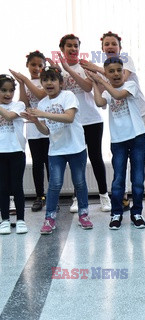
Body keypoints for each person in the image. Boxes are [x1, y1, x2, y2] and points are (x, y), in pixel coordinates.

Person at [81, 31, 145, 213]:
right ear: (102, 48)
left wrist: (96, 70)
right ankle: (124, 197)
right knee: (120, 160)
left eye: (114, 44)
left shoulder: (125, 61)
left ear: (120, 48)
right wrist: (96, 78)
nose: (110, 47)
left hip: (139, 115)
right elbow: (102, 98)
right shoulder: (104, 71)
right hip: (120, 120)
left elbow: (120, 80)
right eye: (107, 44)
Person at [22, 67, 93, 234]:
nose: (48, 83)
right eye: (45, 80)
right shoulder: (42, 103)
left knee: (80, 182)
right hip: (56, 151)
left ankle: (84, 214)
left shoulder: (68, 96)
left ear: (61, 83)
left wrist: (43, 113)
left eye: (52, 79)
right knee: (54, 184)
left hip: (76, 148)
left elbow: (69, 118)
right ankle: (50, 218)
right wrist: (36, 120)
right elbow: (46, 131)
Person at [51, 34, 111, 213]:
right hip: (72, 122)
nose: (73, 49)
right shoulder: (57, 71)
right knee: (77, 161)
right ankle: (77, 197)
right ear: (62, 49)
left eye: (76, 45)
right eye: (69, 46)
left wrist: (68, 70)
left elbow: (87, 87)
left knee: (96, 157)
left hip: (92, 119)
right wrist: (58, 71)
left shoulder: (84, 66)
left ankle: (103, 196)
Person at [88, 57, 145, 230]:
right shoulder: (106, 90)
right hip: (118, 140)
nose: (116, 74)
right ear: (106, 73)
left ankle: (137, 213)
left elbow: (118, 95)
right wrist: (94, 83)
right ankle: (116, 214)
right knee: (118, 179)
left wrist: (101, 81)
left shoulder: (130, 86)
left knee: (137, 178)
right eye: (111, 71)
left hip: (137, 137)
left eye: (118, 70)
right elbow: (99, 102)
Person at [10, 51, 49, 212]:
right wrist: (21, 84)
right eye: (33, 64)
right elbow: (25, 104)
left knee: (50, 164)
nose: (37, 68)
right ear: (27, 65)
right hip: (33, 131)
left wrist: (25, 80)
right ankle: (40, 197)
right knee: (37, 164)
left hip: (47, 129)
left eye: (40, 65)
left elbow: (40, 96)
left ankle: (53, 198)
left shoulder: (46, 81)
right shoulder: (25, 83)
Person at [0, 74, 27, 234]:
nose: (7, 94)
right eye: (3, 90)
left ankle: (21, 219)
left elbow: (9, 116)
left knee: (17, 186)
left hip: (17, 152)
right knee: (2, 187)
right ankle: (4, 219)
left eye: (10, 90)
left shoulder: (19, 105)